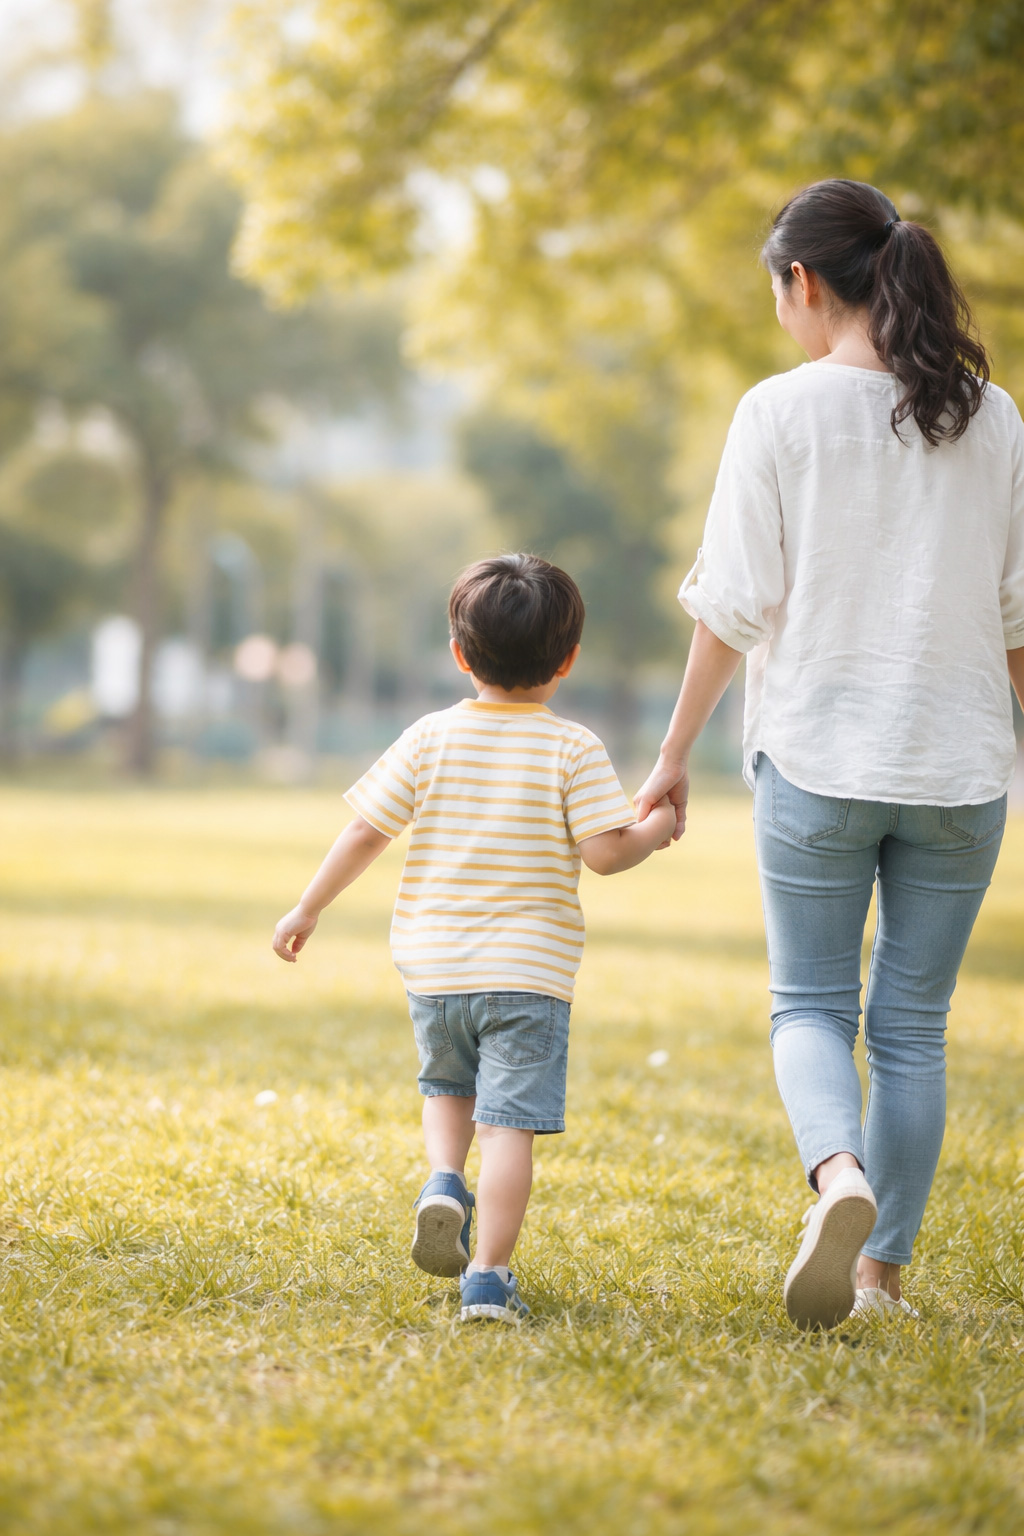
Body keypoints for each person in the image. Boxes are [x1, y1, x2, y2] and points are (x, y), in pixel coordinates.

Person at [635, 179, 1024, 1331]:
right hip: (960, 766)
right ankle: (881, 1280)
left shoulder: (778, 413)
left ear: (803, 282)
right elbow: (1017, 619)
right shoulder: (992, 418)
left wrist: (669, 756)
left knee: (809, 1006)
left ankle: (836, 1177)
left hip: (815, 756)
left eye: (778, 295)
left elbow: (733, 607)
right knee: (910, 1025)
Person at [273, 554, 676, 1323]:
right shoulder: (573, 747)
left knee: (447, 1088)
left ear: (460, 654)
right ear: (567, 661)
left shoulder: (428, 738)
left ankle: (440, 1181)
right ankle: (488, 1277)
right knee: (509, 1127)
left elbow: (365, 829)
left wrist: (307, 907)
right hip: (527, 974)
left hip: (434, 966)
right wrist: (655, 827)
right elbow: (607, 853)